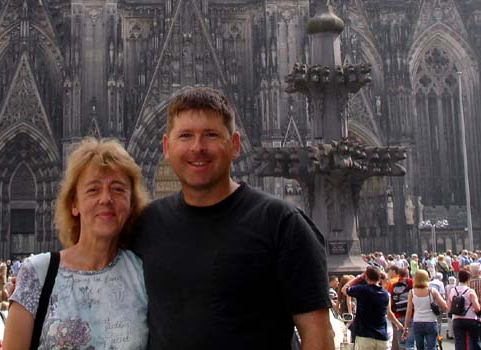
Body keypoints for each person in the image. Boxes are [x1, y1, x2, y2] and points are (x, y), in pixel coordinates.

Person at [131, 86, 333, 350]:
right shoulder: (147, 223)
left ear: (235, 145)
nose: (197, 147)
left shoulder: (282, 223)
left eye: (211, 135)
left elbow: (318, 336)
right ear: (167, 147)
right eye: (186, 136)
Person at [4, 137, 149, 349]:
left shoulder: (143, 274)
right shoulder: (37, 274)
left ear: (130, 204)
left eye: (118, 189)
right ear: (74, 204)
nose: (106, 199)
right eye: (93, 189)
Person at [342, 266, 403, 350]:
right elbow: (388, 313)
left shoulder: (362, 290)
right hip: (382, 337)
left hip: (365, 336)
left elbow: (344, 289)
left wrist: (359, 278)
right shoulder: (385, 294)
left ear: (366, 277)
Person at [402, 269, 448, 350]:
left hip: (417, 322)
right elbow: (444, 306)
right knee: (432, 347)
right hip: (431, 321)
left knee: (420, 347)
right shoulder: (432, 291)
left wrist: (405, 327)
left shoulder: (412, 292)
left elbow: (409, 311)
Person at [446, 269, 481, 350]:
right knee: (473, 341)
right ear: (468, 279)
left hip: (457, 319)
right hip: (470, 319)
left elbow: (449, 306)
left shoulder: (453, 290)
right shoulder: (470, 291)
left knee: (459, 342)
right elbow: (477, 307)